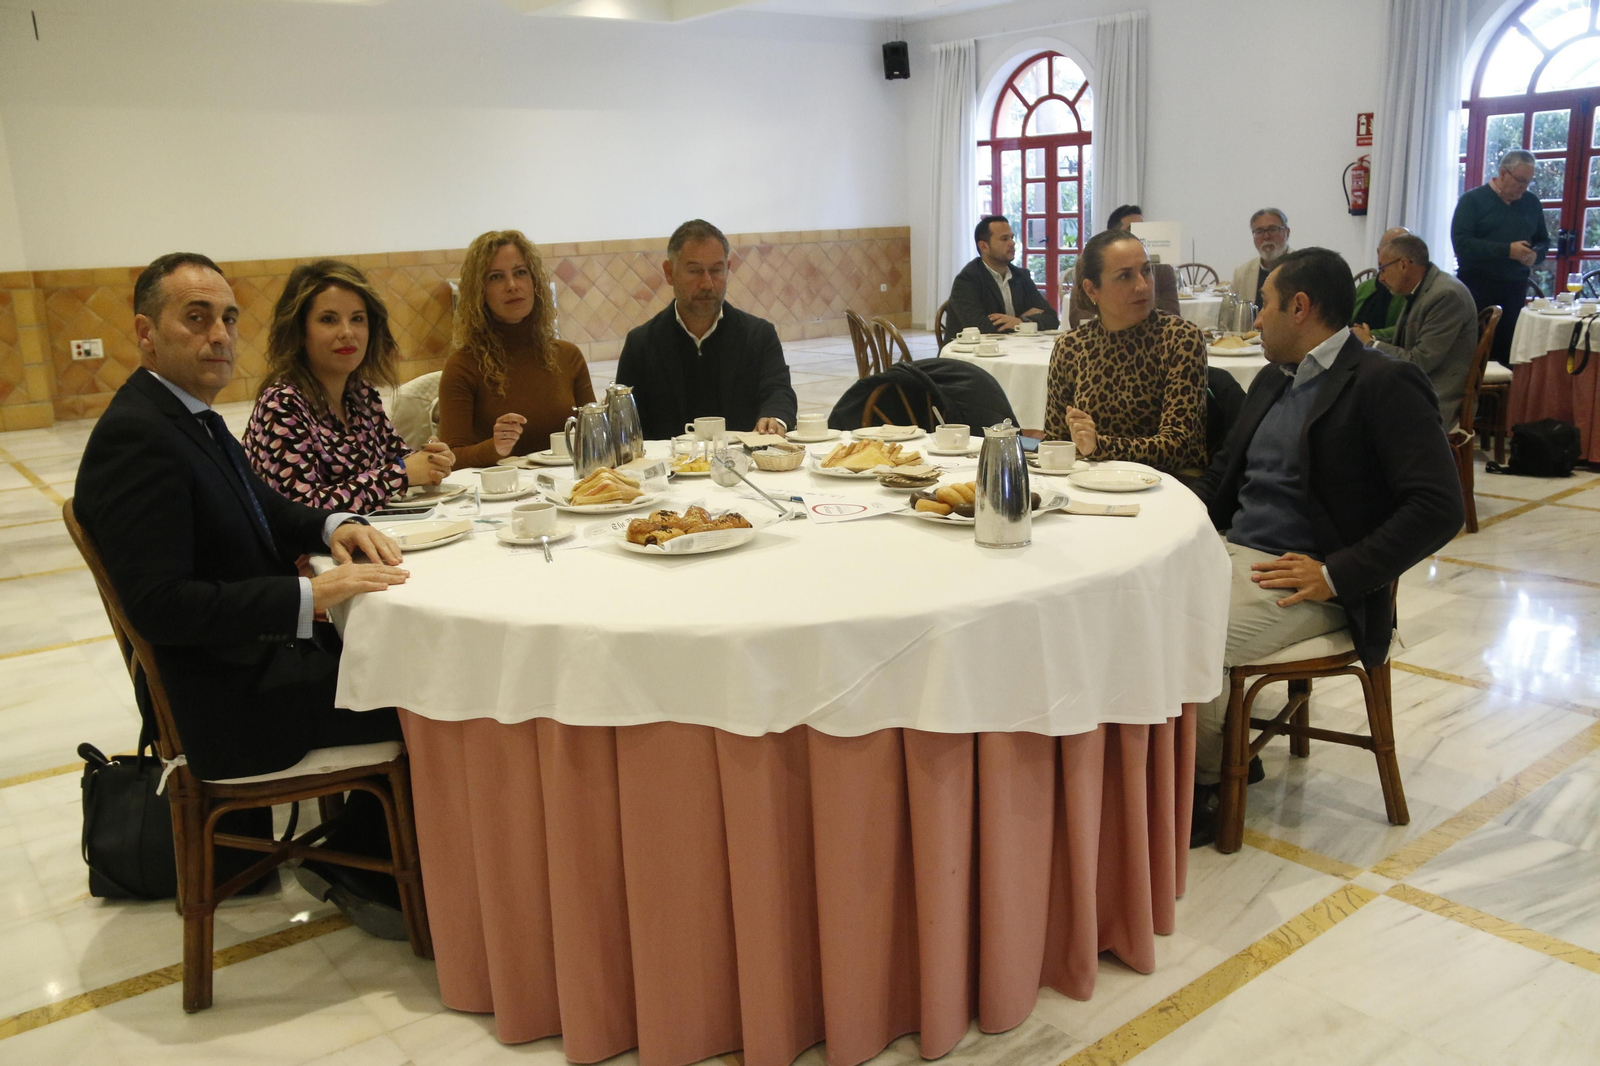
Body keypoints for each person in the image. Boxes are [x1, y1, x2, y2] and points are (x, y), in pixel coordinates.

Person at [72, 253, 413, 932]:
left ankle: (363, 850)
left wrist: (336, 523)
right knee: (421, 692)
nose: (220, 335)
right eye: (195, 318)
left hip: (249, 664)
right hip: (228, 702)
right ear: (146, 331)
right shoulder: (139, 439)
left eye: (227, 317)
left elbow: (266, 506)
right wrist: (309, 597)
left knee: (403, 660)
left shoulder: (182, 415)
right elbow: (162, 605)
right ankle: (361, 860)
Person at [1188, 248, 1463, 847]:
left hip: (1313, 580)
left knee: (1192, 630)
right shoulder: (1270, 378)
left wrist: (1337, 573)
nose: (1256, 321)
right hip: (1236, 553)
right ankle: (1200, 756)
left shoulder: (1383, 383)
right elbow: (1220, 479)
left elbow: (1440, 507)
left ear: (1301, 307)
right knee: (1136, 603)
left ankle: (1204, 787)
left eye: (1264, 306)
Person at [245, 259, 454, 512]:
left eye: (357, 319)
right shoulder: (281, 405)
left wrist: (432, 458)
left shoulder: (361, 393)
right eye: (329, 319)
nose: (347, 332)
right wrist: (400, 475)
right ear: (300, 331)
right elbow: (301, 510)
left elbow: (400, 458)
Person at [1043, 228, 1207, 472]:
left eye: (1146, 271)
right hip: (1089, 482)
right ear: (1091, 290)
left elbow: (1179, 446)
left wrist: (1100, 446)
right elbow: (1055, 441)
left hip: (1165, 484)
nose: (1143, 286)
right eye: (1125, 276)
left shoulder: (1180, 338)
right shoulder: (1071, 347)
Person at [616, 219, 798, 439]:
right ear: (669, 272)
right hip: (669, 469)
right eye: (694, 271)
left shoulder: (758, 336)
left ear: (728, 269)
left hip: (743, 466)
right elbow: (624, 424)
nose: (707, 284)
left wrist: (774, 418)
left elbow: (779, 392)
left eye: (716, 271)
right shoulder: (642, 345)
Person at [438, 230, 594, 467]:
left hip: (570, 490)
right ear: (480, 291)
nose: (512, 285)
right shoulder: (463, 365)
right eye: (496, 277)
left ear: (535, 283)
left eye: (520, 273)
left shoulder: (568, 356)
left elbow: (593, 440)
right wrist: (496, 447)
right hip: (501, 496)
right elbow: (451, 457)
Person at [1351, 234, 1479, 428]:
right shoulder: (1422, 288)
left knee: (1354, 411)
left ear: (1403, 264)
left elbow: (1420, 361)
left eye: (1383, 269)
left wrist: (1370, 343)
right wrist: (1369, 336)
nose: (1381, 278)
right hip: (1416, 384)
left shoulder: (1445, 295)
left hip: (1436, 395)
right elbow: (1402, 338)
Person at [1452, 149, 1549, 367]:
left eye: (1529, 182)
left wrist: (1536, 255)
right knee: (1476, 352)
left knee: (1509, 352)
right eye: (1520, 181)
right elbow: (1462, 245)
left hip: (1515, 288)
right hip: (1477, 288)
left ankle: (1505, 399)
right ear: (1503, 173)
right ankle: (1473, 399)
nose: (1524, 187)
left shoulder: (1531, 202)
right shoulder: (1472, 201)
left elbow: (1544, 240)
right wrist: (1507, 250)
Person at [948, 215, 1062, 334]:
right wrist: (1021, 322)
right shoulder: (967, 280)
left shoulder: (1021, 276)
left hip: (1013, 348)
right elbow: (979, 327)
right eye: (1004, 239)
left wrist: (1019, 321)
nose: (1012, 243)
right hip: (972, 351)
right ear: (984, 246)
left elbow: (1052, 319)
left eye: (1012, 237)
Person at [1351, 226, 1410, 342]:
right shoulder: (1364, 287)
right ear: (1379, 252)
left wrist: (1367, 335)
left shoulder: (1411, 291)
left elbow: (1407, 330)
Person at [1230, 209, 1292, 304]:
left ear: (1287, 233)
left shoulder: (1303, 268)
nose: (1266, 236)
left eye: (1273, 229)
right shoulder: (1241, 273)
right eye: (1259, 231)